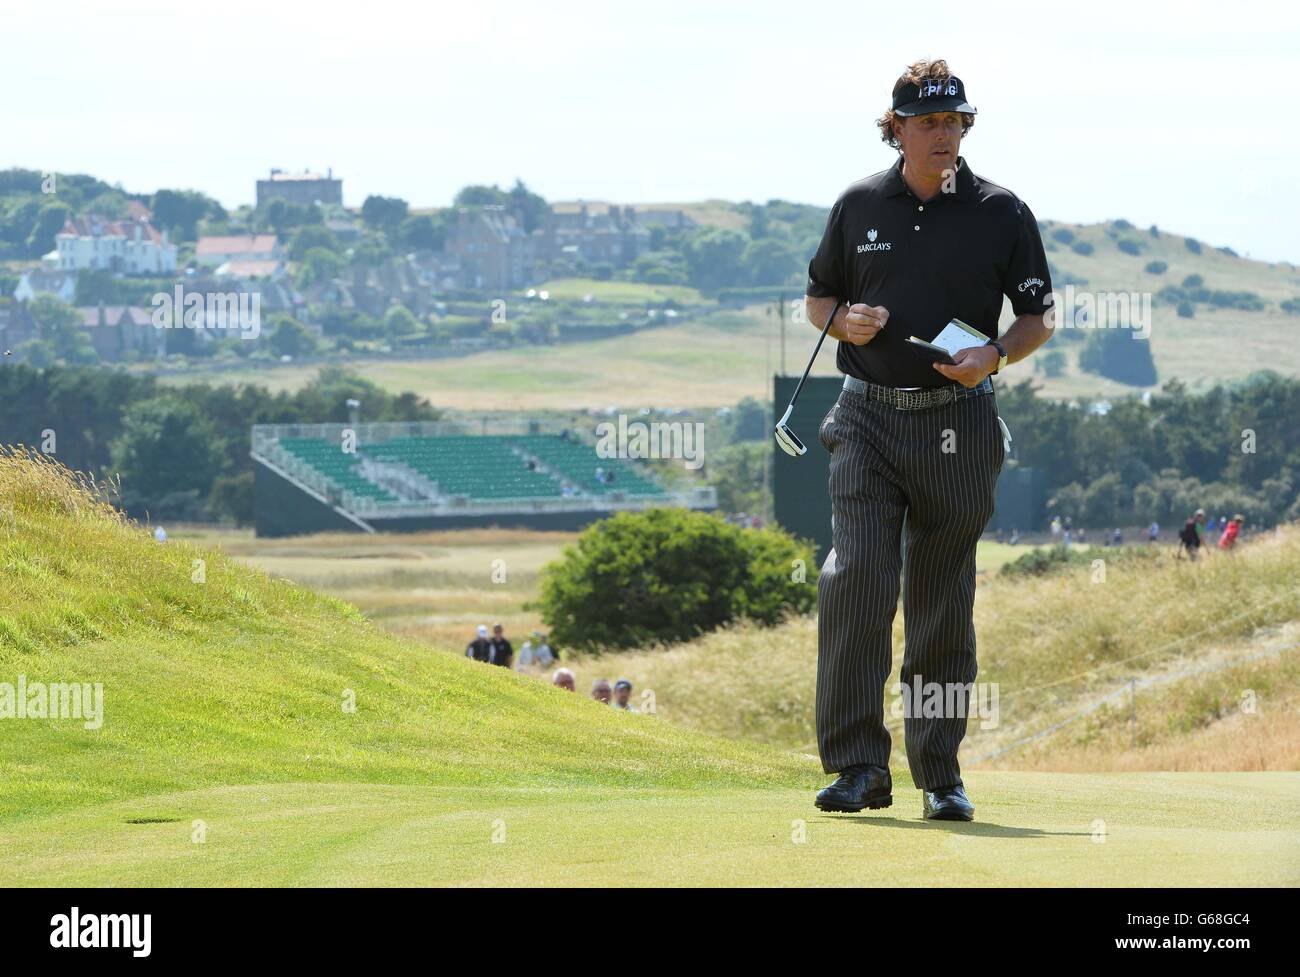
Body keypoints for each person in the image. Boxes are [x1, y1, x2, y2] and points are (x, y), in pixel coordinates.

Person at [804, 59, 1053, 822]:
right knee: (857, 581)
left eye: (956, 122)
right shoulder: (858, 204)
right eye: (931, 122)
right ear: (899, 128)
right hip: (867, 417)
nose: (946, 134)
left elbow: (1037, 317)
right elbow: (818, 301)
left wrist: (997, 355)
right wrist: (844, 321)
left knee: (942, 600)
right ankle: (857, 768)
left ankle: (939, 774)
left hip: (958, 419)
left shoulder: (1001, 211)